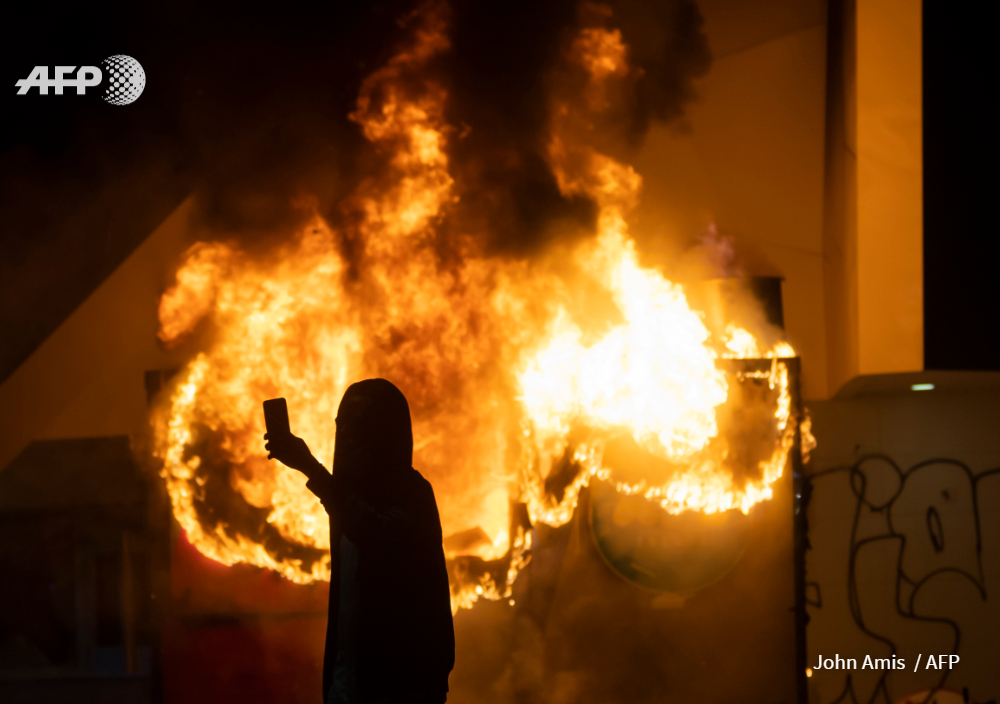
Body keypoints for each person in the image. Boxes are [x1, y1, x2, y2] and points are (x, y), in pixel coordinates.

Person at [264, 379, 455, 704]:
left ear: (382, 437)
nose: (347, 441)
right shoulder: (346, 504)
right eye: (343, 429)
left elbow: (377, 536)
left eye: (357, 431)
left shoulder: (413, 494)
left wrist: (310, 466)